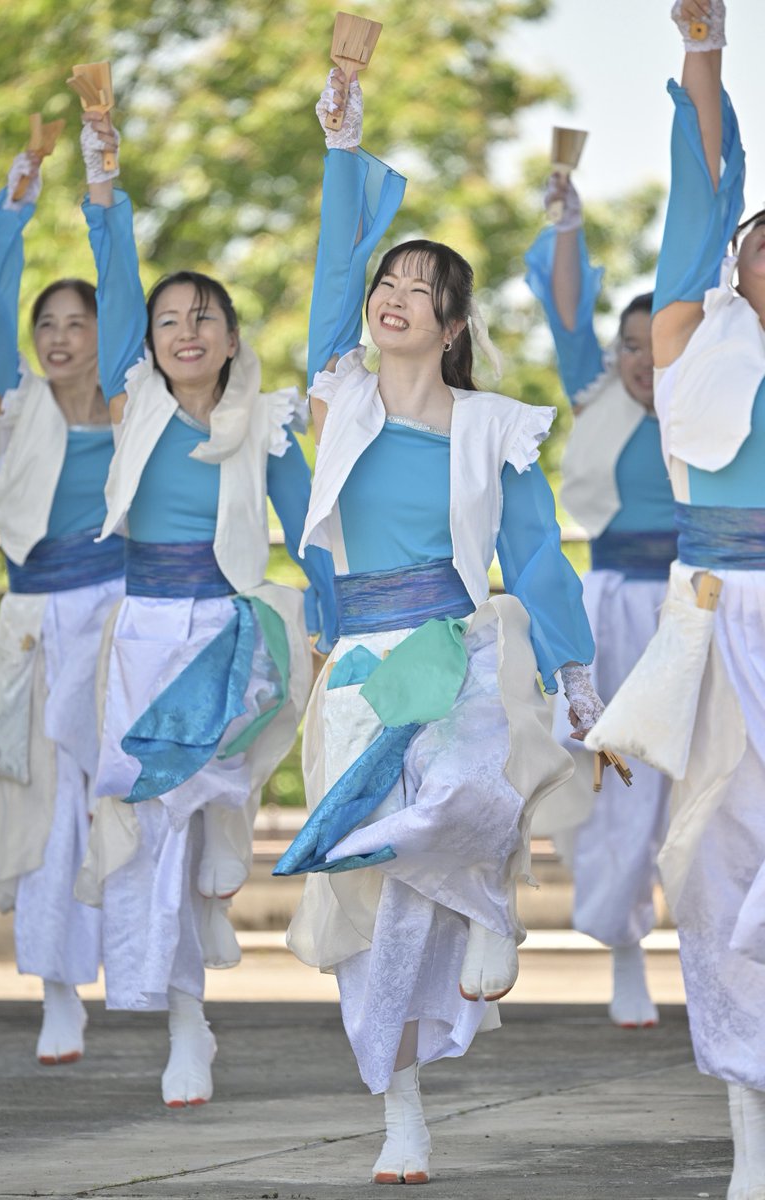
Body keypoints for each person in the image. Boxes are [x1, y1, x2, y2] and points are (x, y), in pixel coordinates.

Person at [275, 72, 600, 1186]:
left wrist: (574, 676)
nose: (392, 297)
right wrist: (342, 144)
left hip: (450, 653)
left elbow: (538, 558)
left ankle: (486, 898)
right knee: (367, 909)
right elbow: (328, 274)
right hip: (360, 665)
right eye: (387, 283)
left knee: (466, 794)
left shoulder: (492, 429)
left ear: (452, 323)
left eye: (421, 288)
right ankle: (398, 1115)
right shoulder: (340, 400)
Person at [72, 110, 336, 1107]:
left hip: (232, 637)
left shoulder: (263, 425)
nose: (185, 330)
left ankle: (228, 844)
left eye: (204, 318)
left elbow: (311, 532)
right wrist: (106, 189)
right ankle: (186, 1021)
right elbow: (114, 275)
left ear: (232, 338)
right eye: (168, 318)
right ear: (148, 341)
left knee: (208, 801)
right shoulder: (133, 401)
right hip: (143, 631)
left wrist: (337, 617)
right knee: (149, 824)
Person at [635, 3, 765, 1196]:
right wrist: (704, 53)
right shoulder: (692, 333)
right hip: (715, 606)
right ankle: (746, 1119)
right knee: (713, 851)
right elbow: (701, 182)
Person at [0, 149, 125, 1063]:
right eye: (48, 324)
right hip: (32, 625)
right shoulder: (17, 404)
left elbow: (126, 293)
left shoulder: (139, 406)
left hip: (114, 620)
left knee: (116, 799)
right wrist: (12, 215)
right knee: (35, 806)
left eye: (79, 321)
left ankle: (150, 973)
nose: (60, 336)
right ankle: (57, 994)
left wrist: (104, 192)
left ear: (109, 332)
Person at [524, 171, 677, 1027]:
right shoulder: (598, 394)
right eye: (632, 345)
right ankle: (627, 952)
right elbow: (566, 316)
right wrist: (569, 225)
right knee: (618, 781)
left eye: (661, 343)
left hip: (711, 599)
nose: (644, 360)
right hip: (619, 605)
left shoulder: (727, 400)